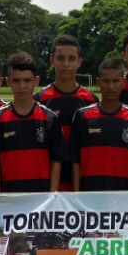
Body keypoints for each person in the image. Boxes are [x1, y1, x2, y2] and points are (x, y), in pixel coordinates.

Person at [0, 52, 66, 193]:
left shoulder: (49, 118)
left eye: (27, 80)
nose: (22, 86)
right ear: (8, 81)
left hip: (41, 200)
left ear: (36, 81)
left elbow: (56, 162)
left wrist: (51, 196)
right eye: (16, 81)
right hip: (9, 199)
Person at [71, 57, 128, 191]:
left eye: (115, 81)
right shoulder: (82, 116)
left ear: (123, 82)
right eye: (106, 81)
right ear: (98, 82)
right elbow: (76, 161)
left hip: (124, 196)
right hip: (90, 195)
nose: (111, 86)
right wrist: (77, 195)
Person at [36, 34, 98, 190]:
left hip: (82, 182)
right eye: (60, 58)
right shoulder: (39, 99)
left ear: (79, 62)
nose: (65, 64)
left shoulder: (91, 100)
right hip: (48, 182)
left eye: (71, 59)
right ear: (52, 60)